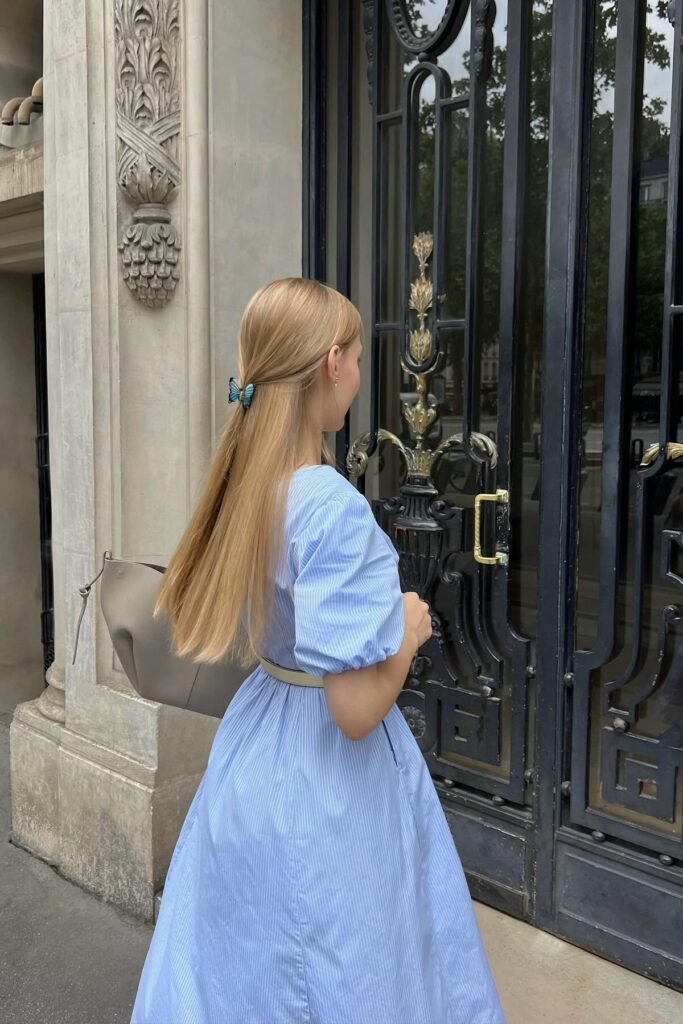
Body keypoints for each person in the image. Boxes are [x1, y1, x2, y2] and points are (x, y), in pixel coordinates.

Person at [129, 278, 505, 1024]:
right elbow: (355, 708)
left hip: (258, 745)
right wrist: (407, 631)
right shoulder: (327, 503)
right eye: (360, 357)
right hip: (330, 777)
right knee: (347, 963)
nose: (361, 375)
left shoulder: (246, 483)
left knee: (251, 957)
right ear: (331, 363)